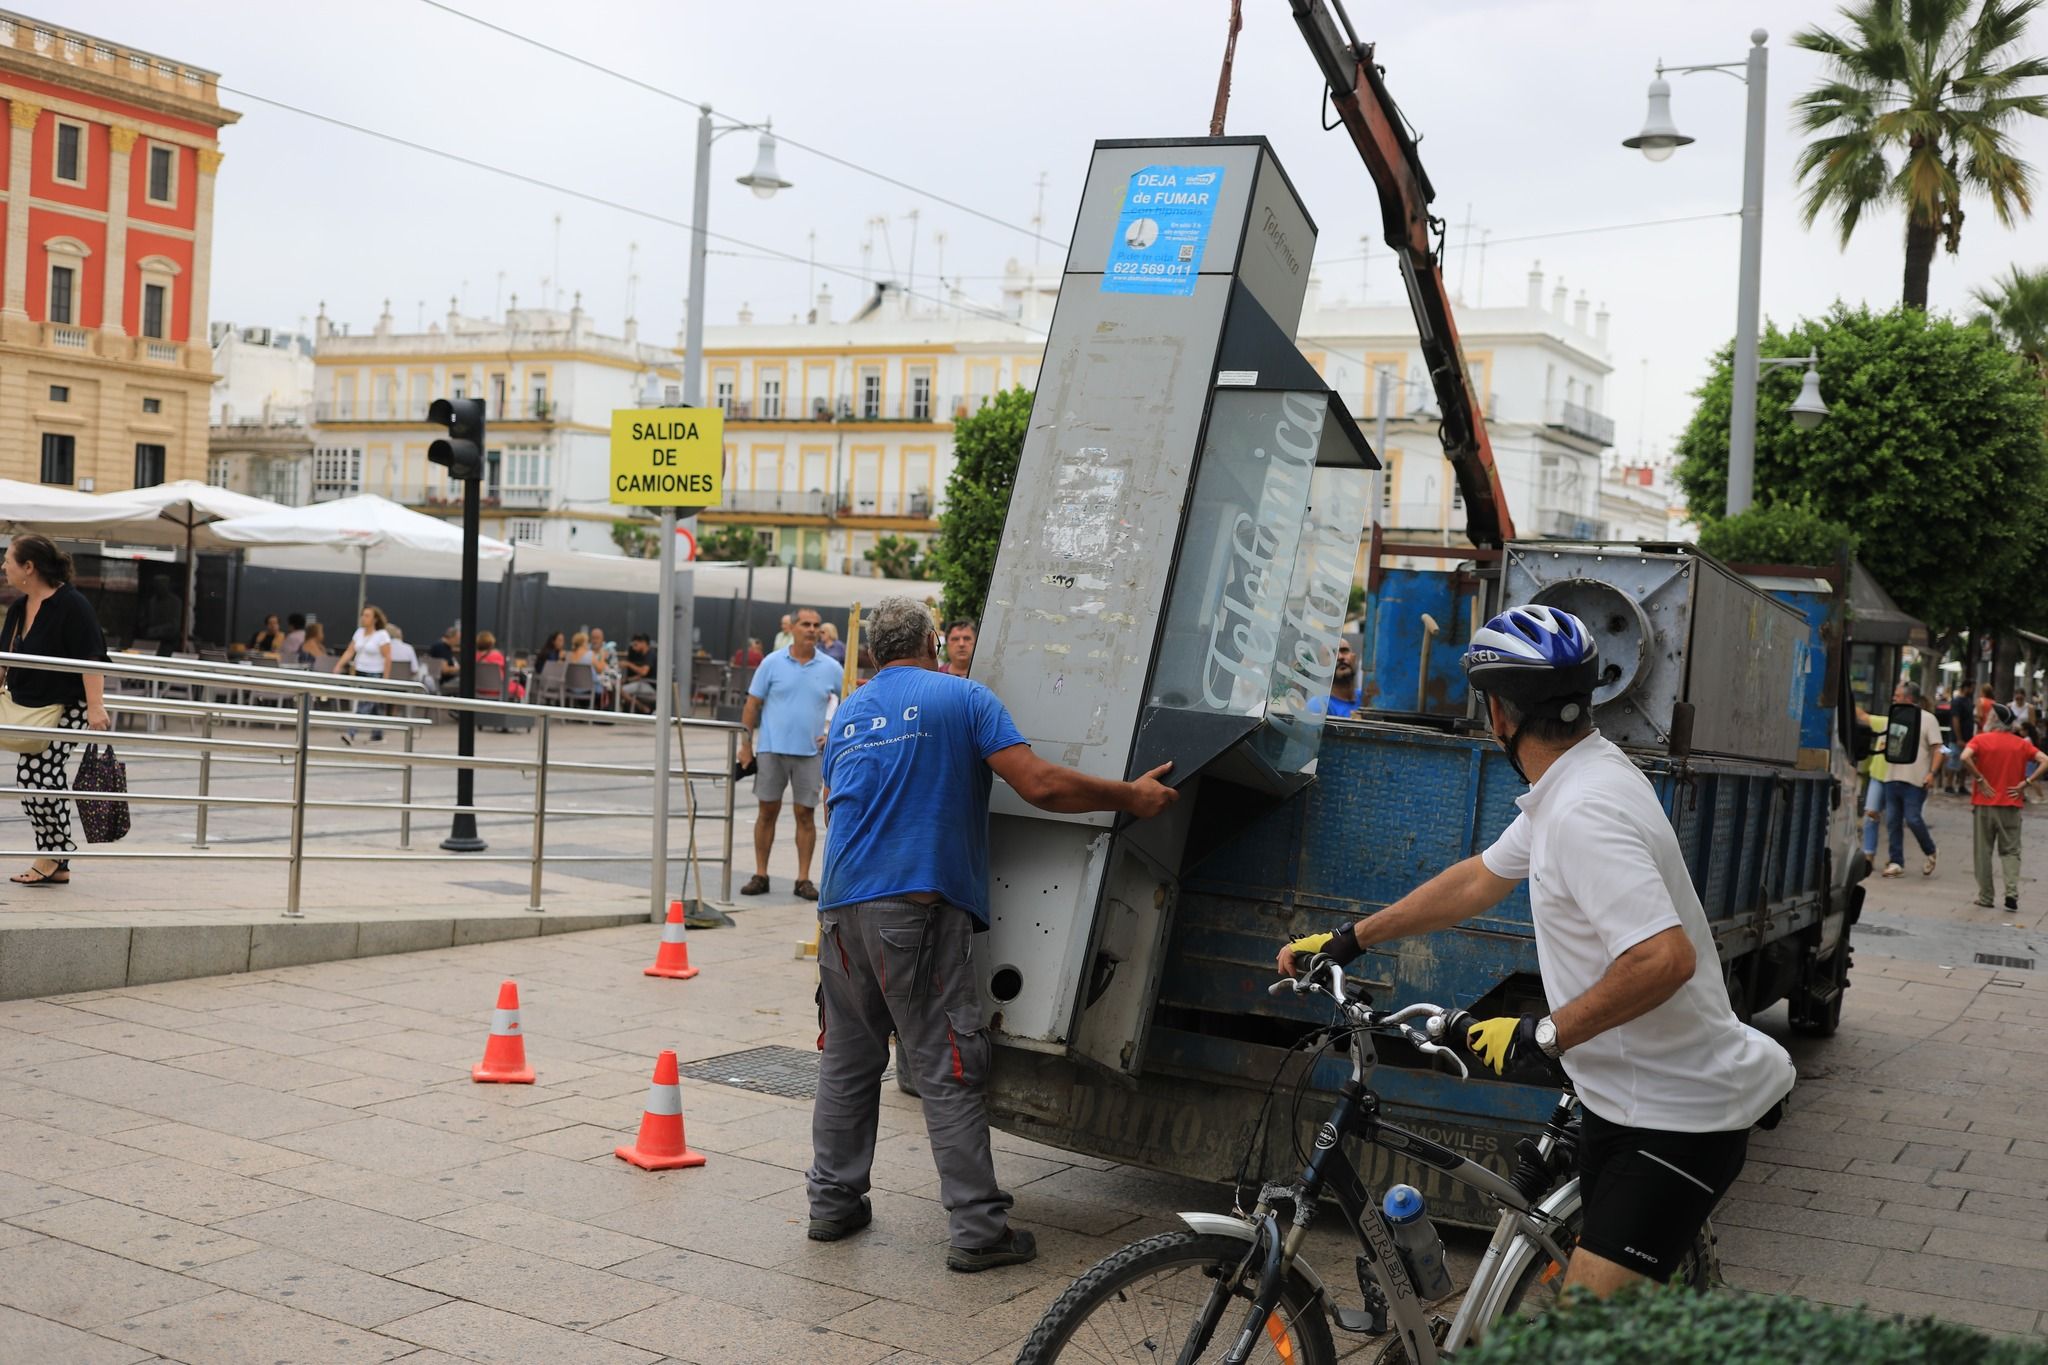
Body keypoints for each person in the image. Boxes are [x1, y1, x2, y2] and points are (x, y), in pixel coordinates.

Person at [1277, 605, 1793, 1296]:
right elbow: (1476, 880)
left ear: (1501, 713)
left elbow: (1665, 959)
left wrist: (1541, 1033)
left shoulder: (1585, 811)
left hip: (1678, 1115)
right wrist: (1350, 938)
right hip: (1617, 1099)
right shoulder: (1576, 781)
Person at [806, 595, 1179, 1271]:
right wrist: (1132, 796)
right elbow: (1036, 784)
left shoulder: (850, 713)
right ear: (929, 640)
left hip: (839, 910)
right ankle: (979, 1230)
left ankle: (832, 1201)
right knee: (948, 1063)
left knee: (848, 1059)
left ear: (872, 654)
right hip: (914, 907)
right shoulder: (962, 698)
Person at [1, 534, 113, 887]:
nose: (4, 566)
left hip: (68, 706)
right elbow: (5, 657)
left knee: (40, 774)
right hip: (30, 705)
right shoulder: (20, 607)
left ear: (29, 567)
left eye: (9, 560)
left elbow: (92, 658)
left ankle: (53, 854)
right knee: (32, 776)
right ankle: (57, 857)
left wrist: (96, 707)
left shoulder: (72, 605)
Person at [738, 609, 838, 900]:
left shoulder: (831, 667)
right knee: (766, 812)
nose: (811, 629)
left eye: (816, 625)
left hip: (810, 753)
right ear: (792, 628)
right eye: (805, 624)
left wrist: (832, 736)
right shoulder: (772, 662)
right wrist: (746, 745)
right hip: (772, 749)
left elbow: (846, 705)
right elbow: (751, 704)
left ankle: (803, 879)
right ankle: (760, 874)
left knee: (805, 814)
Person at [1960, 702, 2046, 911]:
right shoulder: (2021, 744)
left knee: (1983, 852)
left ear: (1994, 721)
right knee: (2011, 851)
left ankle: (1986, 896)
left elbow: (1964, 757)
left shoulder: (1980, 739)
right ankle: (2011, 892)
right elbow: (2044, 760)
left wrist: (1979, 779)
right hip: (2012, 803)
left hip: (1984, 803)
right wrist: (2026, 783)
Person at [1863, 682, 1941, 878]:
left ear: (1908, 698)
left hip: (1916, 779)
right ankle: (1896, 860)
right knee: (1892, 821)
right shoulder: (1895, 717)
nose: (1894, 698)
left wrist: (1932, 772)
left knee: (1913, 818)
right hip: (1892, 777)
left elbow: (1938, 748)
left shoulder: (1928, 719)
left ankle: (1930, 849)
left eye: (1898, 695)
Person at [334, 605, 392, 743]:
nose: (363, 618)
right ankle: (377, 734)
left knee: (364, 704)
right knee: (375, 704)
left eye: (367, 615)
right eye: (363, 615)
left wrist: (385, 679)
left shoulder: (382, 635)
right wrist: (339, 665)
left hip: (375, 673)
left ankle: (351, 732)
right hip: (360, 671)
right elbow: (350, 651)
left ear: (375, 619)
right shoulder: (359, 632)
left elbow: (387, 657)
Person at [619, 634, 658, 713]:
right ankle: (641, 707)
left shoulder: (650, 655)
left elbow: (643, 672)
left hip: (651, 686)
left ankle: (642, 707)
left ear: (643, 643)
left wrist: (629, 664)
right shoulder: (641, 655)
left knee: (620, 690)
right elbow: (640, 676)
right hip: (643, 683)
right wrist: (626, 680)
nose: (634, 648)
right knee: (619, 687)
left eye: (636, 644)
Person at [426, 626, 461, 691]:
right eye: (457, 639)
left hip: (437, 680)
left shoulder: (439, 646)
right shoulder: (442, 648)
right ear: (452, 638)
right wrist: (458, 668)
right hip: (443, 682)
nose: (458, 642)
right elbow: (444, 669)